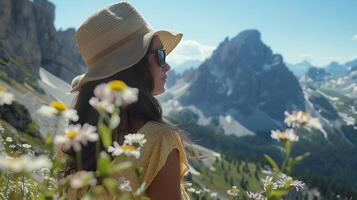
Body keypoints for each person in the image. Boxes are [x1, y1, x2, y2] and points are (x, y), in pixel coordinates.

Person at [56, 2, 190, 200]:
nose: (167, 65)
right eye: (160, 55)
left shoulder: (70, 145)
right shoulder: (160, 141)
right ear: (133, 63)